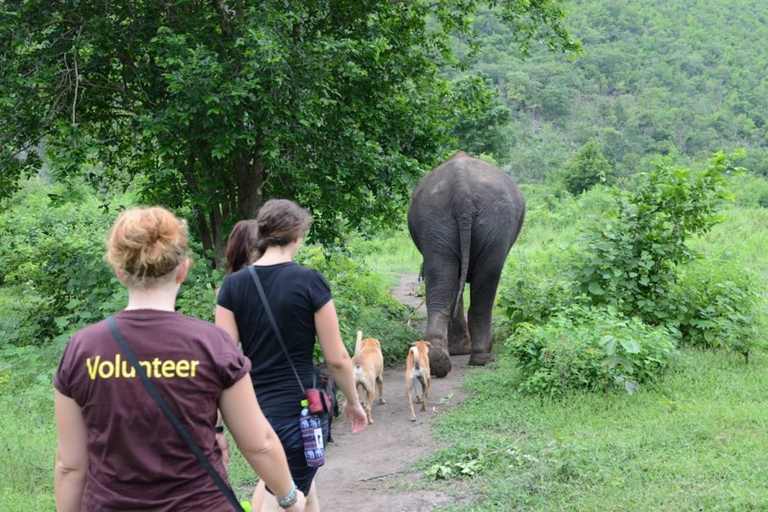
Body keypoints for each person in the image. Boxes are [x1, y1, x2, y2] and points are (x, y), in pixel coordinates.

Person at [53, 206, 305, 512]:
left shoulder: (83, 348)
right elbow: (259, 443)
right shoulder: (212, 344)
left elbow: (70, 466)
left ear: (120, 273)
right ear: (183, 269)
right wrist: (289, 497)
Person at [216, 199, 368, 512]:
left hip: (252, 415)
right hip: (301, 413)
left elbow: (224, 363)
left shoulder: (231, 287)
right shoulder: (310, 281)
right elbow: (337, 357)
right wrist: (353, 402)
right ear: (297, 236)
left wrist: (217, 425)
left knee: (304, 489)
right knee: (285, 498)